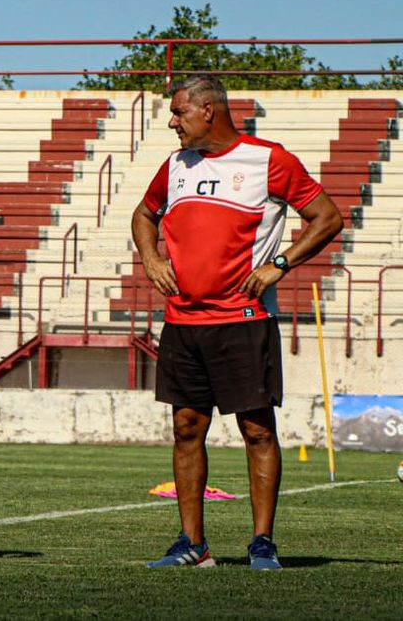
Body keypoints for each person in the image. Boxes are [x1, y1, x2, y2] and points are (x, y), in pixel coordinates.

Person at [133, 75, 343, 570]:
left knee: (257, 430)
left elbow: (328, 217)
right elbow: (144, 215)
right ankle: (192, 545)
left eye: (180, 111)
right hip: (183, 320)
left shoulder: (269, 159)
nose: (172, 121)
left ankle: (262, 542)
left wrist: (282, 263)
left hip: (244, 319)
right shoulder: (175, 165)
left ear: (210, 110)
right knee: (186, 427)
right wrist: (150, 256)